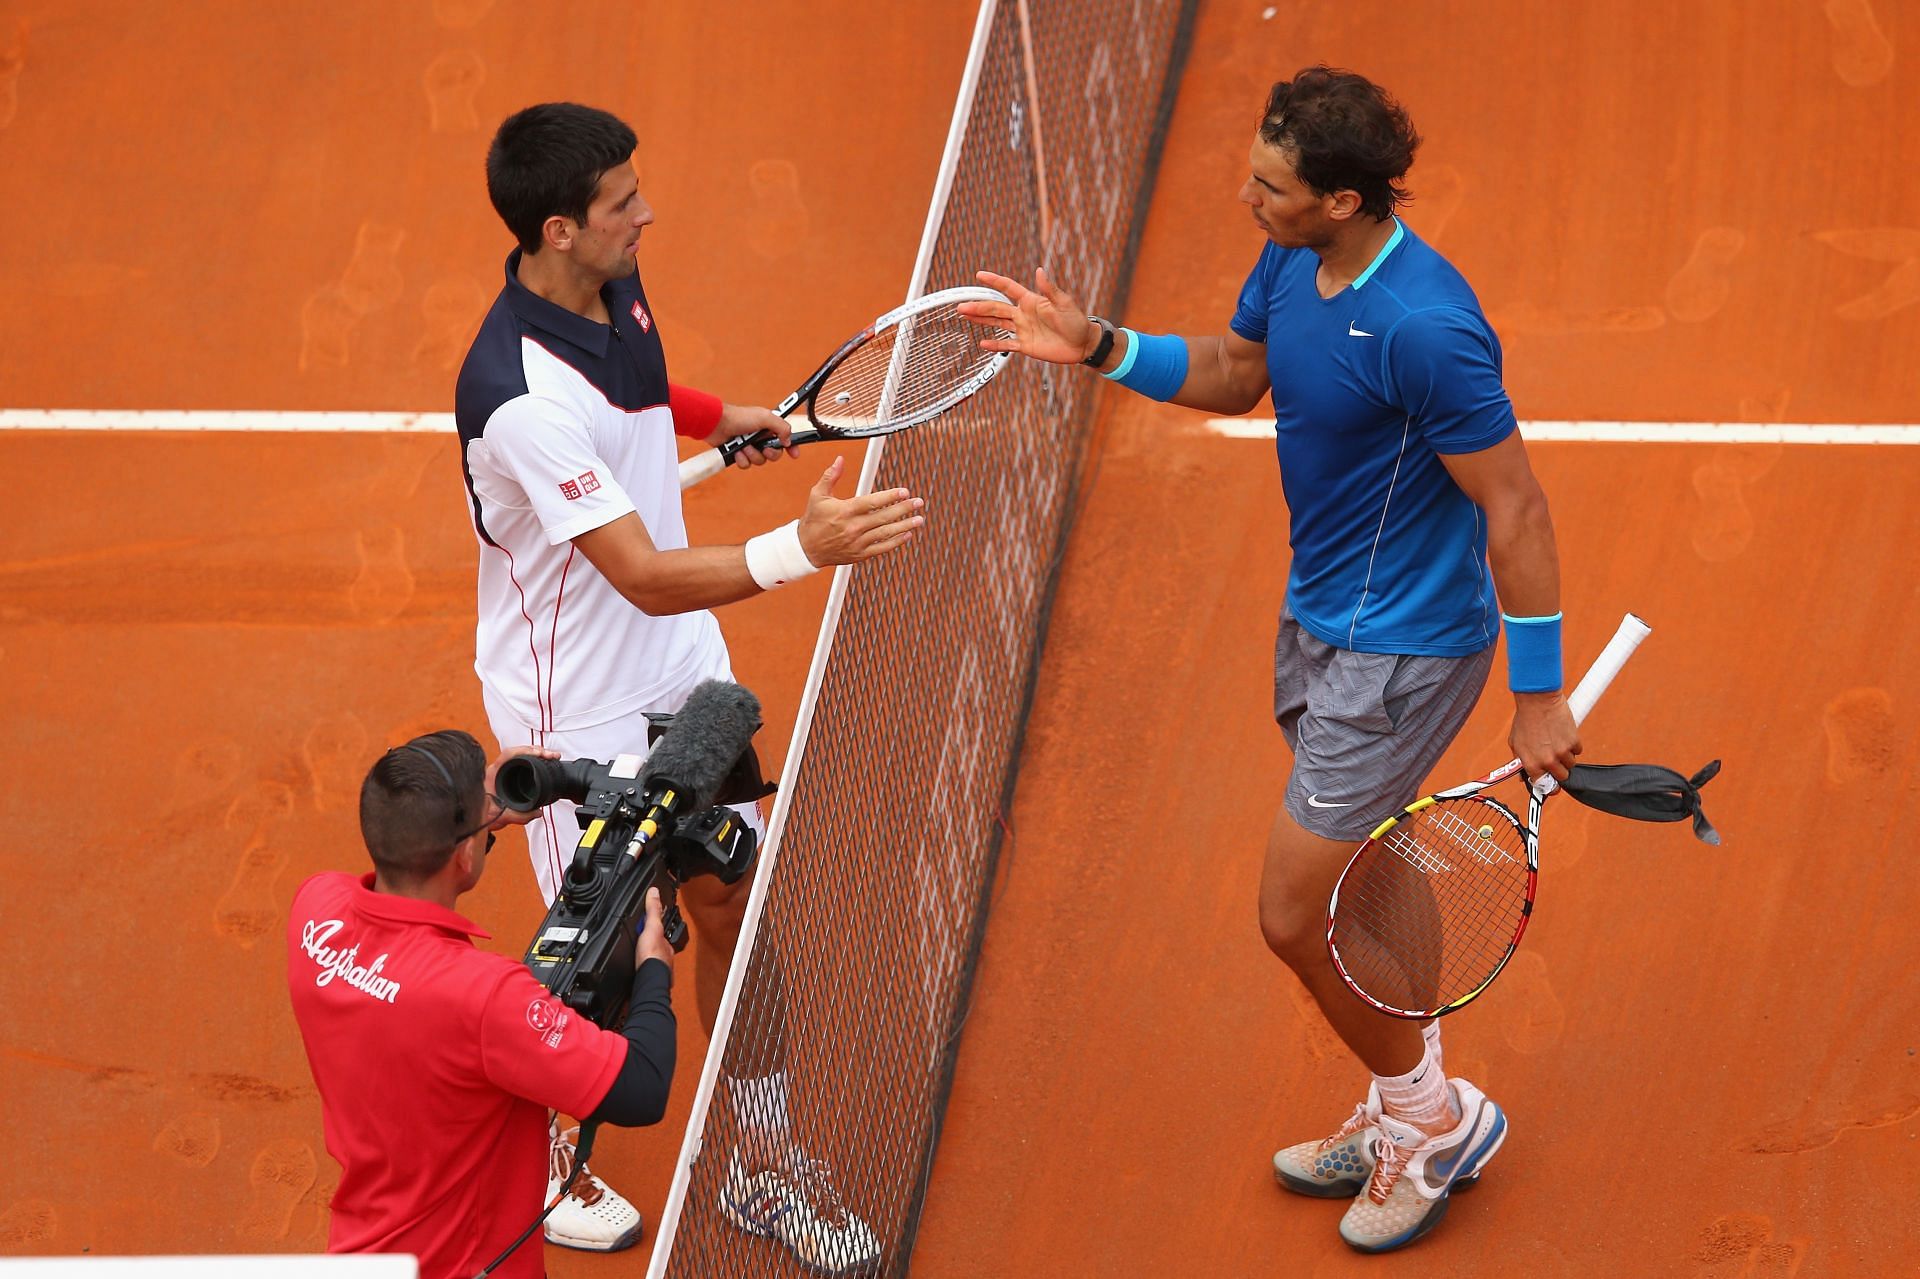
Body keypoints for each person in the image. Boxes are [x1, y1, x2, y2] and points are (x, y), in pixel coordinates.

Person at [959, 66, 1578, 1254]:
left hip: (1401, 649)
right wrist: (1098, 345)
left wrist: (1539, 692)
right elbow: (1241, 376)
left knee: (1293, 914)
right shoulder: (1296, 260)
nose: (1247, 193)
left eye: (1272, 184)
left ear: (1343, 199)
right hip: (1320, 617)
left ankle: (1431, 1118)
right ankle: (1414, 1100)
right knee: (1365, 864)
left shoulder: (1427, 328)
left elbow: (1519, 508)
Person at [454, 102, 897, 1270]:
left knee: (731, 915)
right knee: (594, 959)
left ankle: (759, 1164)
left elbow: (642, 395)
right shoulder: (521, 400)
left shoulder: (611, 285)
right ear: (560, 228)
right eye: (621, 204)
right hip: (580, 715)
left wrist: (725, 417)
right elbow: (643, 575)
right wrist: (810, 549)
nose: (646, 213)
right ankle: (541, 1153)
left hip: (687, 675)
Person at [286, 733, 677, 1278]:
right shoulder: (482, 997)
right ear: (465, 853)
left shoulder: (316, 913)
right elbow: (642, 1087)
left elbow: (419, 873)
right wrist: (654, 966)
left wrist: (475, 819)